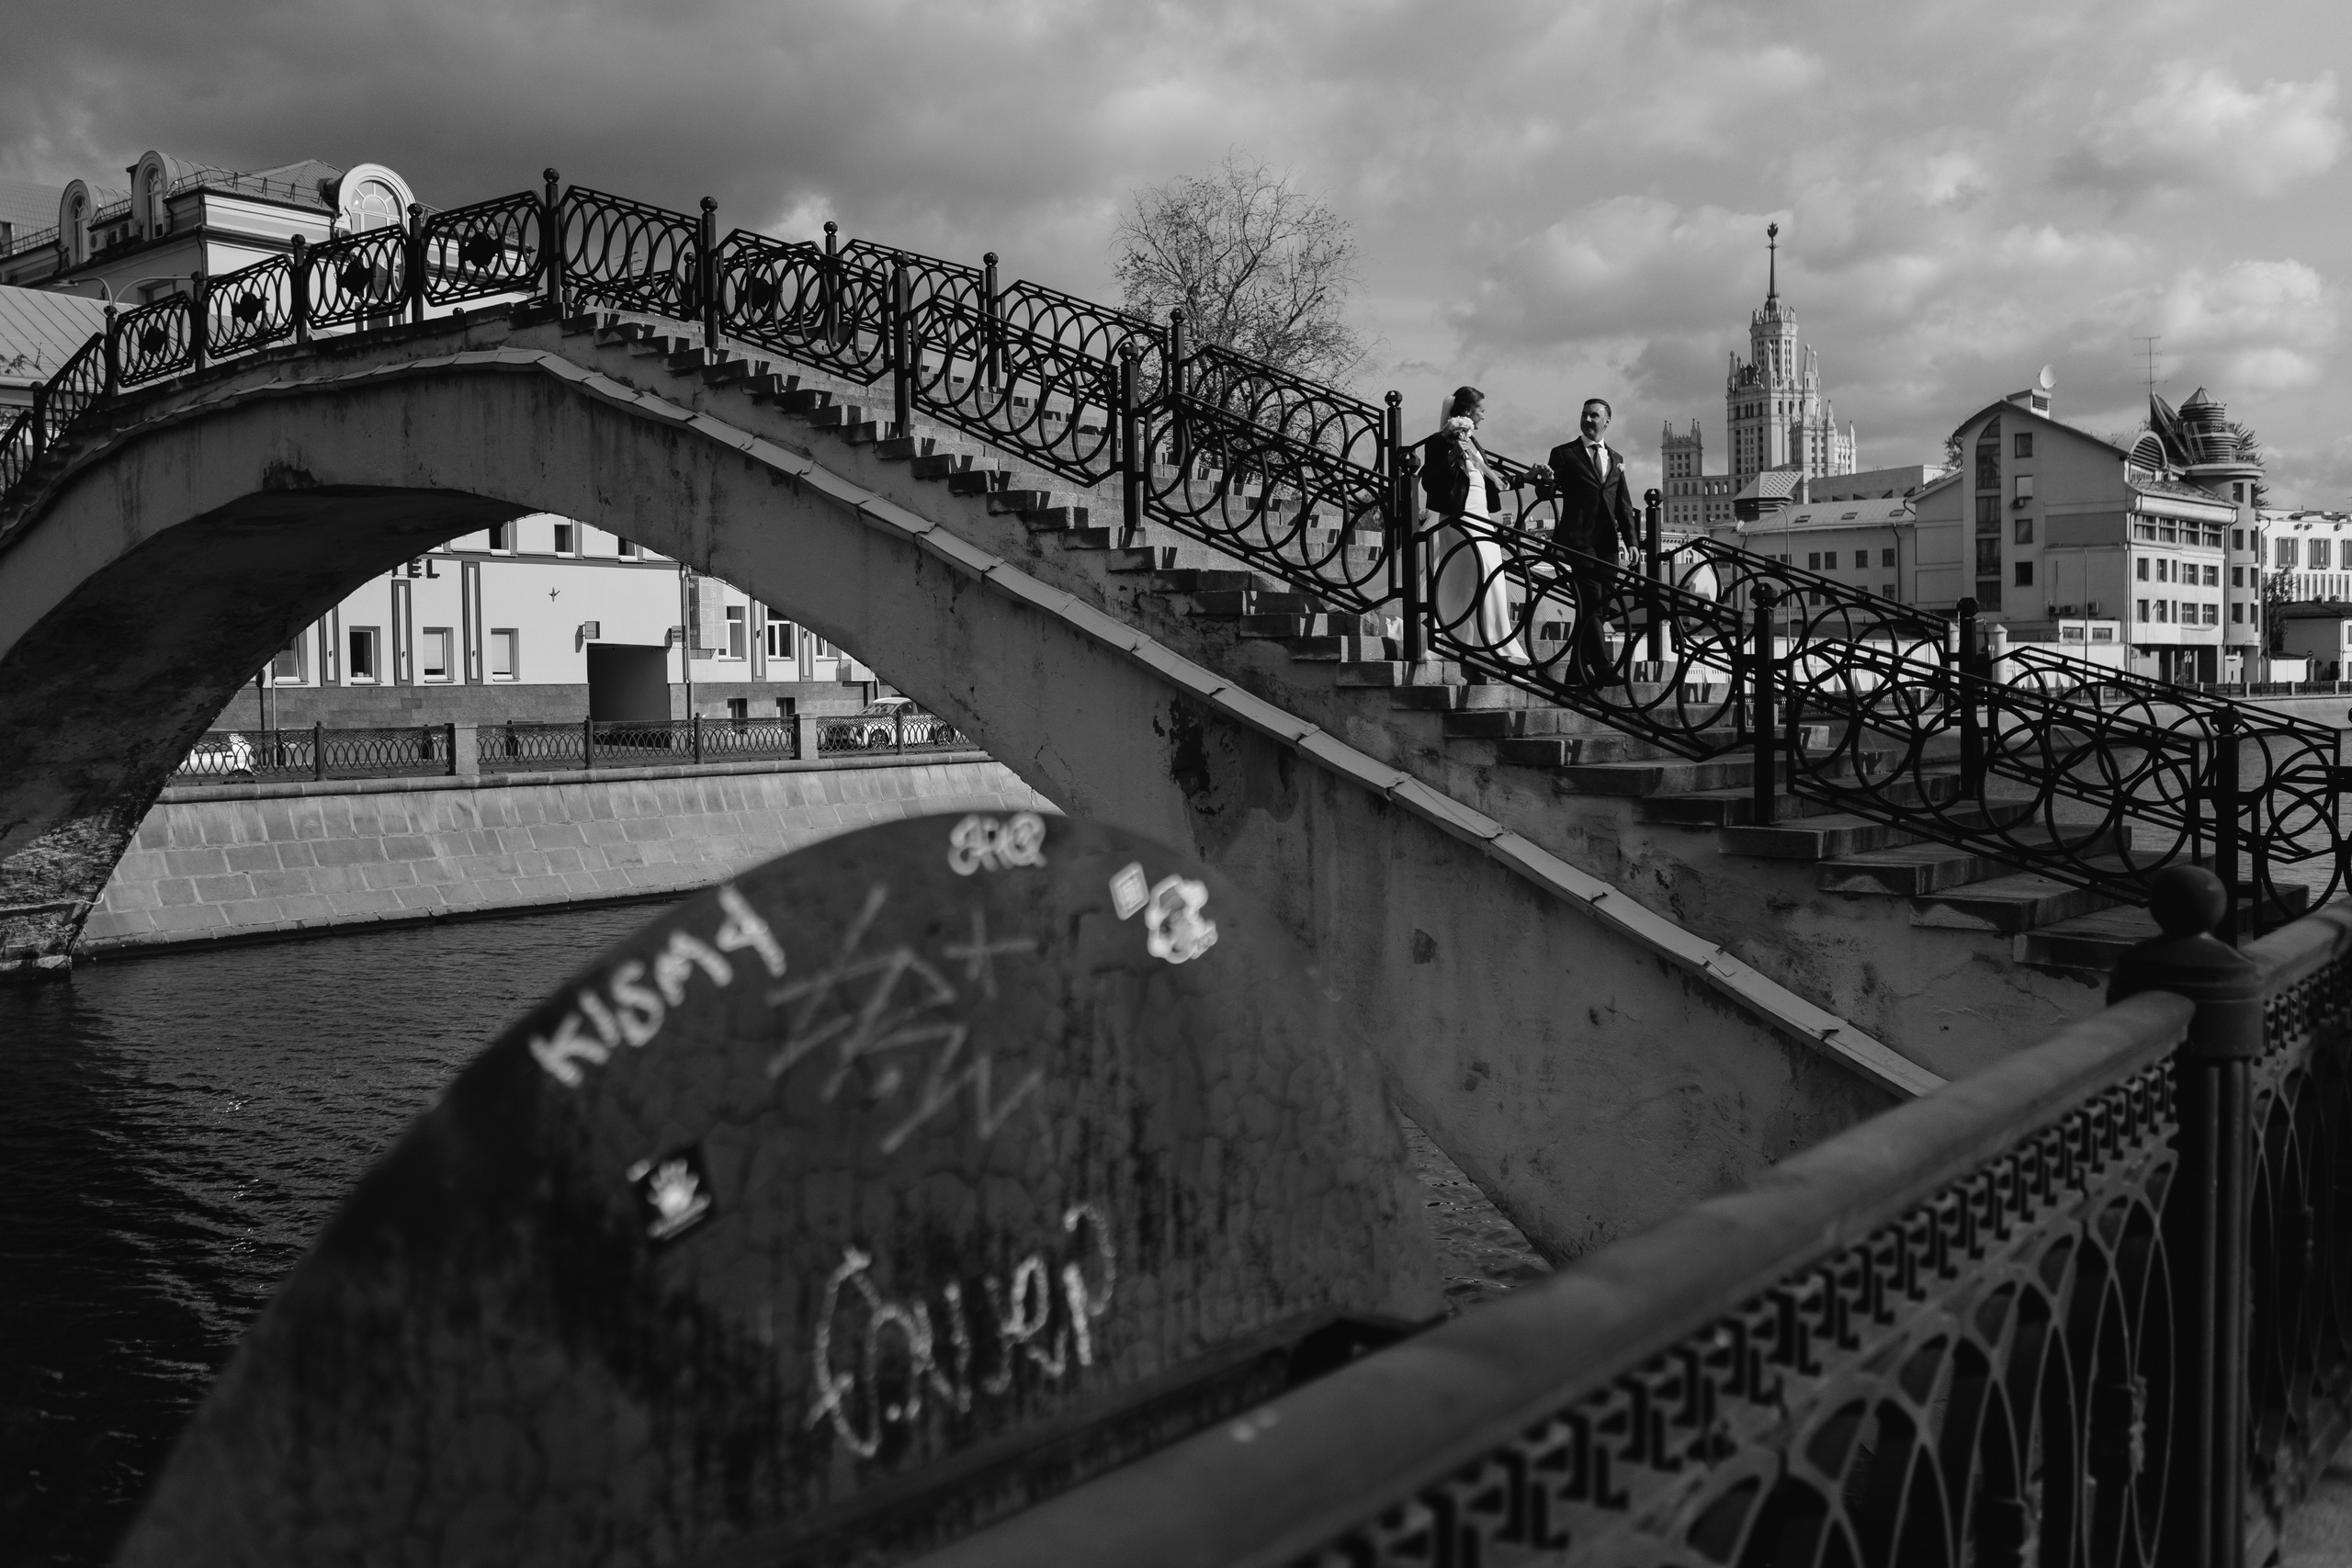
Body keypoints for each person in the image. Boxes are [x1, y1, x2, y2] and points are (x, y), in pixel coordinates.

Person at [1419, 387, 1526, 664]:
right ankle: (1470, 641)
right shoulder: (1438, 441)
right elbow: (1428, 482)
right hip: (1459, 519)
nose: (1483, 417)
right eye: (1482, 411)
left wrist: (1527, 478)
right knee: (1475, 575)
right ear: (1468, 411)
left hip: (1482, 520)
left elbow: (1492, 481)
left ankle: (1483, 642)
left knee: (1490, 577)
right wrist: (1452, 457)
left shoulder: (1475, 444)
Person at [1544, 397, 1640, 681]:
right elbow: (1546, 492)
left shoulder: (1616, 459)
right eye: (1584, 414)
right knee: (1592, 600)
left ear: (1606, 421)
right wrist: (1546, 480)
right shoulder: (1564, 453)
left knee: (1602, 604)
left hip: (1608, 542)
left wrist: (1632, 542)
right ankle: (1602, 667)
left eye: (1594, 415)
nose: (1587, 419)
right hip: (1579, 539)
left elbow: (1623, 504)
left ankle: (1576, 668)